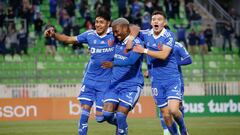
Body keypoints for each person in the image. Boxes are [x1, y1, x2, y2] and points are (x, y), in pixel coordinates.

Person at [44, 12, 139, 135]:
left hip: (105, 82)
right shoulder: (89, 35)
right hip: (89, 80)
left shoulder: (114, 33)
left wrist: (131, 38)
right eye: (96, 22)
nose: (98, 25)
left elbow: (135, 28)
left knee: (101, 117)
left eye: (101, 22)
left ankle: (120, 124)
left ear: (108, 24)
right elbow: (68, 39)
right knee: (84, 112)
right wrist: (54, 35)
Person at [133, 11, 189, 135]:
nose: (156, 21)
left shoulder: (169, 35)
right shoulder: (146, 34)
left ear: (164, 23)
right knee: (166, 115)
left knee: (174, 110)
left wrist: (144, 50)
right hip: (157, 81)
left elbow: (163, 55)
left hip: (172, 79)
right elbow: (132, 31)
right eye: (153, 19)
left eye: (159, 19)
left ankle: (183, 130)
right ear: (151, 22)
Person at [101, 18, 144, 135]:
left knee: (120, 115)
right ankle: (122, 126)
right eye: (114, 32)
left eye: (117, 31)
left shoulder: (137, 43)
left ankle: (121, 127)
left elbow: (131, 61)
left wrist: (113, 64)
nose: (115, 34)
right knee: (107, 114)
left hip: (132, 85)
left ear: (125, 29)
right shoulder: (116, 40)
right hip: (115, 84)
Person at [158, 42, 192, 135]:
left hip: (176, 80)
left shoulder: (177, 46)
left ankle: (182, 129)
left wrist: (174, 63)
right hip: (160, 81)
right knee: (163, 107)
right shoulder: (155, 45)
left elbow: (188, 59)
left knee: (178, 107)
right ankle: (166, 131)